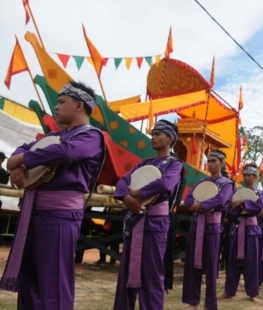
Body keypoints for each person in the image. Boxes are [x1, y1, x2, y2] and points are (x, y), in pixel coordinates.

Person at [0, 81, 105, 310]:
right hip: (33, 214)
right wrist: (16, 165)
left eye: (61, 102)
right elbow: (22, 149)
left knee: (54, 282)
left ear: (79, 105)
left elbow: (66, 152)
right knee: (30, 280)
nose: (56, 107)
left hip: (60, 216)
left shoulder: (92, 137)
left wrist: (20, 160)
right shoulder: (53, 136)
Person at [113, 120, 182, 310]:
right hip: (134, 220)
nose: (153, 137)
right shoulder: (144, 163)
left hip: (155, 223)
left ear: (170, 139)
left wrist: (138, 193)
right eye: (152, 134)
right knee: (126, 270)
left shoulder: (175, 164)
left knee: (151, 273)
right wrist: (127, 199)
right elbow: (122, 182)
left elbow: (166, 184)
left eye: (158, 134)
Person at [182, 149, 233, 310]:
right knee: (192, 264)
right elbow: (189, 199)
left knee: (211, 267)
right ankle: (193, 302)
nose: (210, 164)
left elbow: (221, 200)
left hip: (213, 228)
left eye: (213, 161)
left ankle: (210, 305)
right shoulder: (201, 182)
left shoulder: (227, 184)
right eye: (208, 161)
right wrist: (200, 207)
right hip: (197, 227)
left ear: (222, 163)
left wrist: (201, 205)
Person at [218, 163, 263, 303]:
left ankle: (252, 294)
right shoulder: (236, 191)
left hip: (251, 230)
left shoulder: (259, 193)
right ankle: (229, 291)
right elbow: (232, 209)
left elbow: (259, 207)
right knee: (232, 261)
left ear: (255, 177)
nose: (247, 177)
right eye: (245, 175)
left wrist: (242, 202)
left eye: (250, 175)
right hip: (237, 229)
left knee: (251, 261)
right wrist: (236, 207)